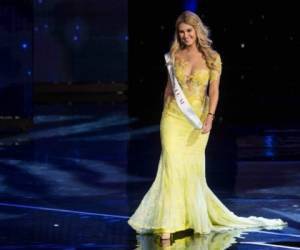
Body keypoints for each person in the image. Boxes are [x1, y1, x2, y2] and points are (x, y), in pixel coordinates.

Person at [127, 10, 286, 242]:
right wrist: (164, 113)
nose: (185, 36)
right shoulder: (173, 55)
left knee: (191, 169)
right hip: (173, 117)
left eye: (189, 31)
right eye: (181, 32)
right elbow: (169, 90)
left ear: (197, 30)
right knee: (171, 165)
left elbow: (214, 91)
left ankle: (190, 218)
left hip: (197, 120)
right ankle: (168, 224)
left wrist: (210, 116)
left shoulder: (212, 58)